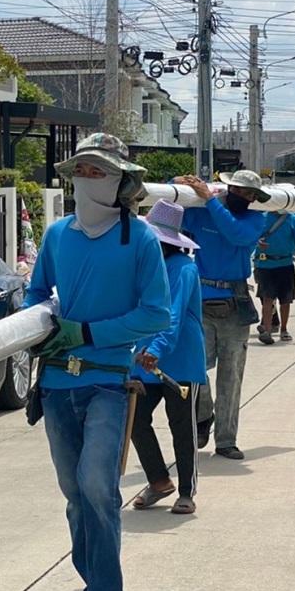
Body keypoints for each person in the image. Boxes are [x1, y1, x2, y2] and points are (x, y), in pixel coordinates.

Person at [27, 133, 171, 591]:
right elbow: (35, 293)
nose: (88, 180)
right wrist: (35, 328)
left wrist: (88, 333)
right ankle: (90, 585)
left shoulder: (141, 240)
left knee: (97, 487)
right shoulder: (57, 235)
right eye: (81, 171)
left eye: (99, 172)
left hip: (109, 381)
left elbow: (157, 312)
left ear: (119, 181)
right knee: (73, 494)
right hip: (56, 383)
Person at [179, 170, 266, 461]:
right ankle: (204, 415)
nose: (245, 197)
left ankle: (226, 440)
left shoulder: (255, 220)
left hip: (235, 303)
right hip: (200, 301)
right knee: (193, 368)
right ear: (228, 188)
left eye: (250, 194)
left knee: (231, 377)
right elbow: (166, 213)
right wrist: (179, 183)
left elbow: (235, 234)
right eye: (239, 191)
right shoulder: (203, 213)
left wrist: (210, 201)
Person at [128, 201, 207, 515]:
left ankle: (186, 491)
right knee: (134, 419)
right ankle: (159, 481)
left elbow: (171, 316)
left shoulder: (183, 269)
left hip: (179, 361)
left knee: (181, 427)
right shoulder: (145, 267)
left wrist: (156, 349)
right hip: (145, 359)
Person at [253, 210, 295, 344]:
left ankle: (283, 329)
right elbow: (252, 236)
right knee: (267, 298)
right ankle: (267, 330)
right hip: (265, 264)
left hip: (286, 263)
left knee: (285, 300)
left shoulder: (292, 219)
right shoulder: (262, 218)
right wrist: (257, 243)